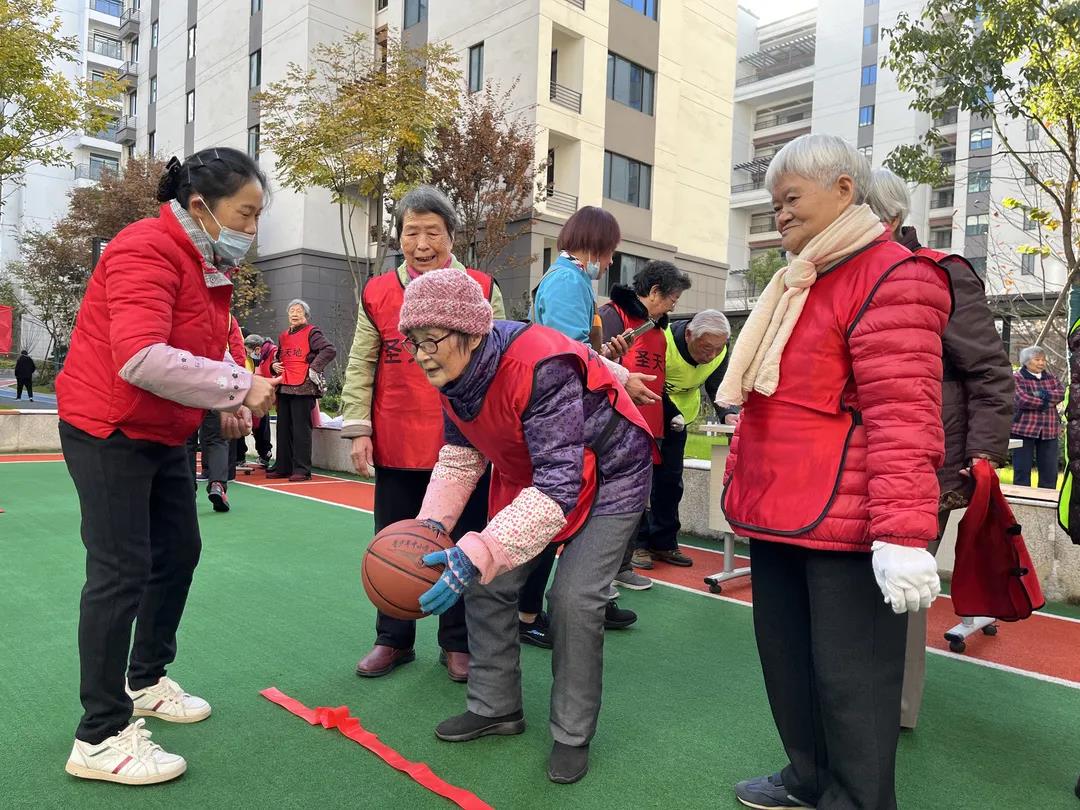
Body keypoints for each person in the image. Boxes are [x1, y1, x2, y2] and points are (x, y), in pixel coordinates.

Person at [717, 134, 952, 810]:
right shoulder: (803, 276)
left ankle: (855, 799)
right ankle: (808, 776)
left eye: (790, 200)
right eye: (774, 204)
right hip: (780, 504)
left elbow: (903, 414)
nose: (779, 215)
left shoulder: (891, 274)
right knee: (788, 664)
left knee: (854, 682)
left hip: (847, 519)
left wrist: (903, 534)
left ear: (845, 189)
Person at [55, 148, 277, 785]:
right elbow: (142, 357)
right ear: (201, 206)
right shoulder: (142, 249)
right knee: (119, 571)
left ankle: (145, 677)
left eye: (259, 216)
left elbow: (217, 333)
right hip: (108, 426)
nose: (251, 229)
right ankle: (97, 736)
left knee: (177, 551)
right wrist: (238, 386)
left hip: (161, 430)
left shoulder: (203, 259)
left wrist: (229, 396)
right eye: (246, 214)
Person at [399, 268, 654, 784]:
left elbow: (560, 486)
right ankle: (496, 707)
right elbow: (460, 455)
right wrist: (428, 528)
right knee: (487, 581)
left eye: (432, 339)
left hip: (610, 474)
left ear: (472, 332)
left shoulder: (538, 365)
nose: (422, 352)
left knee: (574, 600)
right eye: (413, 340)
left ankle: (571, 733)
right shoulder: (452, 374)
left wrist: (480, 547)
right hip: (536, 474)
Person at [868, 167, 1014, 729]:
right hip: (869, 458)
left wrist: (980, 459)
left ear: (888, 217)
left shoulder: (942, 272)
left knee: (902, 590)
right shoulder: (844, 275)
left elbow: (990, 373)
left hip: (930, 462)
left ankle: (894, 710)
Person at [342, 185, 502, 681]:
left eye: (433, 231)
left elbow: (499, 359)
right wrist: (357, 429)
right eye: (412, 232)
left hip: (464, 444)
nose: (423, 243)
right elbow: (361, 361)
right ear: (400, 238)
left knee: (461, 544)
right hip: (396, 440)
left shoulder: (480, 286)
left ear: (452, 237)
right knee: (395, 544)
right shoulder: (377, 292)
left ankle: (458, 643)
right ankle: (392, 639)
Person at [522, 206, 661, 643]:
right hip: (564, 414)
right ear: (598, 244)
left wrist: (609, 356)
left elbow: (579, 349)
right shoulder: (567, 281)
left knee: (567, 512)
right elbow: (571, 353)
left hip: (566, 410)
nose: (611, 259)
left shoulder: (572, 280)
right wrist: (621, 376)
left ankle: (579, 599)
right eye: (611, 249)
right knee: (558, 513)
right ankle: (529, 612)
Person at [599, 260, 691, 591]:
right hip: (616, 426)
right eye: (671, 300)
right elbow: (594, 364)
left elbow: (658, 380)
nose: (672, 306)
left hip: (649, 429)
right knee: (610, 503)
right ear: (654, 292)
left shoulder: (656, 328)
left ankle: (622, 566)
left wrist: (668, 414)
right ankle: (600, 573)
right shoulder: (613, 316)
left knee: (637, 500)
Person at [631, 309, 736, 572]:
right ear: (689, 334)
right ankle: (637, 543)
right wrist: (672, 413)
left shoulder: (720, 349)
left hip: (680, 418)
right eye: (706, 348)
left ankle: (663, 542)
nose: (711, 355)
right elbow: (652, 384)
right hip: (647, 411)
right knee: (642, 481)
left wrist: (728, 413)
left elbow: (717, 384)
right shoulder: (661, 340)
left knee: (671, 481)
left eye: (717, 348)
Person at [267, 299, 336, 482]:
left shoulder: (312, 332)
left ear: (306, 315)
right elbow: (278, 356)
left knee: (300, 430)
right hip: (285, 385)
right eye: (291, 311)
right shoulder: (283, 336)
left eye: (298, 311)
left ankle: (302, 469)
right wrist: (274, 366)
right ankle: (283, 466)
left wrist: (313, 368)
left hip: (303, 386)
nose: (294, 314)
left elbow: (329, 350)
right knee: (283, 428)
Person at [1011, 345, 1064, 489]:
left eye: (1043, 360)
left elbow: (1061, 394)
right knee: (1022, 469)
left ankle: (1047, 501)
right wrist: (1047, 401)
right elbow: (1022, 399)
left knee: (1049, 471)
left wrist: (1039, 395)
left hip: (1049, 430)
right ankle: (1021, 500)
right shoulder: (1017, 378)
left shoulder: (1052, 378)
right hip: (1023, 429)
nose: (1041, 363)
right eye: (1037, 359)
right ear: (1026, 361)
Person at [244, 333, 277, 467]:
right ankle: (264, 452)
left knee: (260, 423)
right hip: (259, 392)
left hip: (261, 392)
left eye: (249, 351)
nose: (249, 354)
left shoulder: (270, 353)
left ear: (257, 349)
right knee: (260, 424)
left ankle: (264, 452)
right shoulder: (262, 355)